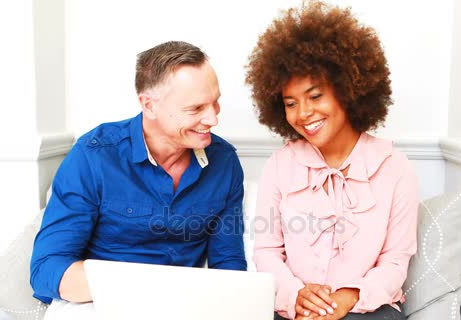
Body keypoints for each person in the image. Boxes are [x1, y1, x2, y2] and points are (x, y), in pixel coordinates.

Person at [30, 41, 247, 313]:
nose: (213, 119)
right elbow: (47, 269)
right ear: (149, 105)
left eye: (216, 102)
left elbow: (229, 264)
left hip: (182, 307)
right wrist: (145, 285)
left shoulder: (224, 162)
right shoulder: (93, 157)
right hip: (99, 304)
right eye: (195, 108)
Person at [245, 1, 418, 320]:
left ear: (348, 90)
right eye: (290, 103)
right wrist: (297, 295)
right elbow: (267, 252)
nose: (303, 114)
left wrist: (348, 297)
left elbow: (395, 261)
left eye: (315, 96)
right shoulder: (280, 166)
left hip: (368, 309)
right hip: (294, 310)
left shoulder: (394, 167)